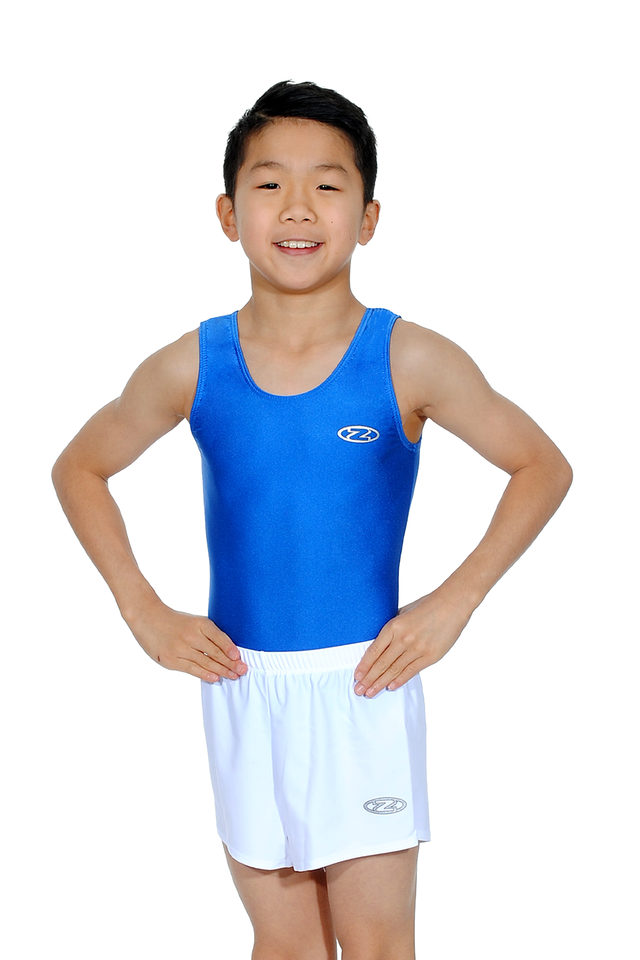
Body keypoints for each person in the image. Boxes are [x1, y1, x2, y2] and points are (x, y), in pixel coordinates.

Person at [52, 80, 572, 960]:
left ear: (368, 218)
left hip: (364, 684)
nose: (298, 206)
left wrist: (454, 602)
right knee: (285, 944)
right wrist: (142, 608)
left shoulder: (408, 356)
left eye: (327, 185)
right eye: (269, 183)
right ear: (228, 213)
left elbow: (541, 466)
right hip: (238, 681)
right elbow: (80, 466)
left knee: (375, 946)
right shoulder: (193, 363)